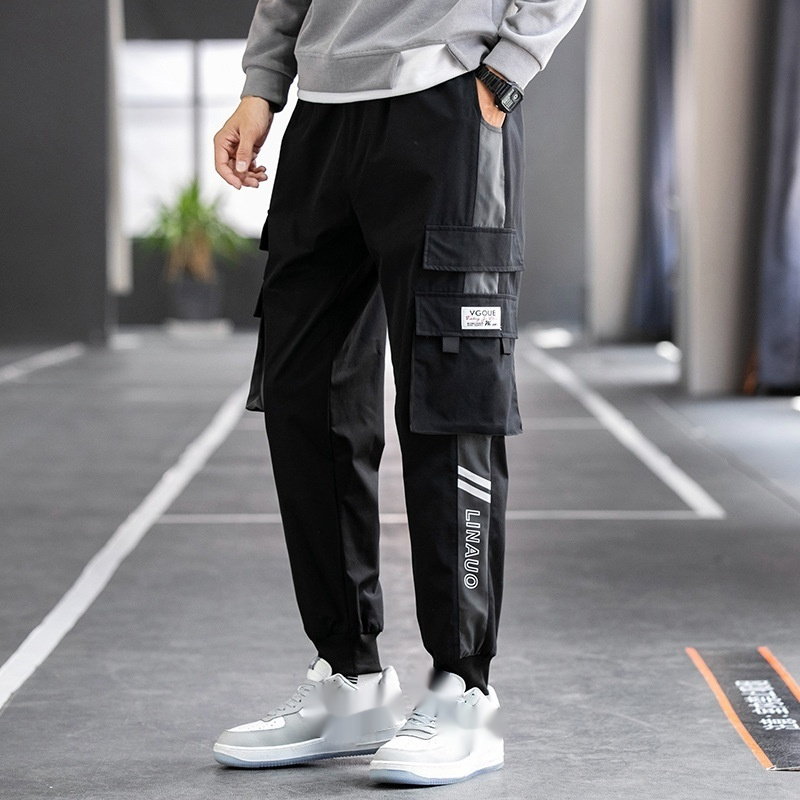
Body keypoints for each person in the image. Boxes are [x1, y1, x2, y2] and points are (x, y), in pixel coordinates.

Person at [212, 0, 585, 786]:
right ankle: (348, 678)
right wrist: (262, 84)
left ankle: (463, 690)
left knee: (454, 399)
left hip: (448, 98)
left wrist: (510, 67)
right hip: (323, 110)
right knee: (303, 398)